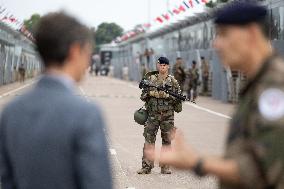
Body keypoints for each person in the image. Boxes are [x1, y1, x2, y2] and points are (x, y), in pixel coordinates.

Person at [146, 1, 284, 188]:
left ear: (251, 33)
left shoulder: (274, 86)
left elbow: (265, 168)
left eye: (224, 34)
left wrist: (197, 163)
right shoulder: (259, 82)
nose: (216, 44)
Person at [0, 12, 112, 189]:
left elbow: (6, 181)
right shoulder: (86, 114)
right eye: (87, 52)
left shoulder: (11, 111)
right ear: (75, 51)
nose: (88, 61)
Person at [137, 56, 183, 175]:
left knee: (167, 141)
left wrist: (167, 96)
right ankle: (146, 167)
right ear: (158, 66)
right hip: (152, 115)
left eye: (164, 65)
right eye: (160, 65)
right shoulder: (151, 79)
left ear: (168, 66)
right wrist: (155, 93)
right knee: (149, 140)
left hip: (167, 116)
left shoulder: (173, 82)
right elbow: (143, 95)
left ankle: (165, 167)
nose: (162, 67)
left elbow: (178, 100)